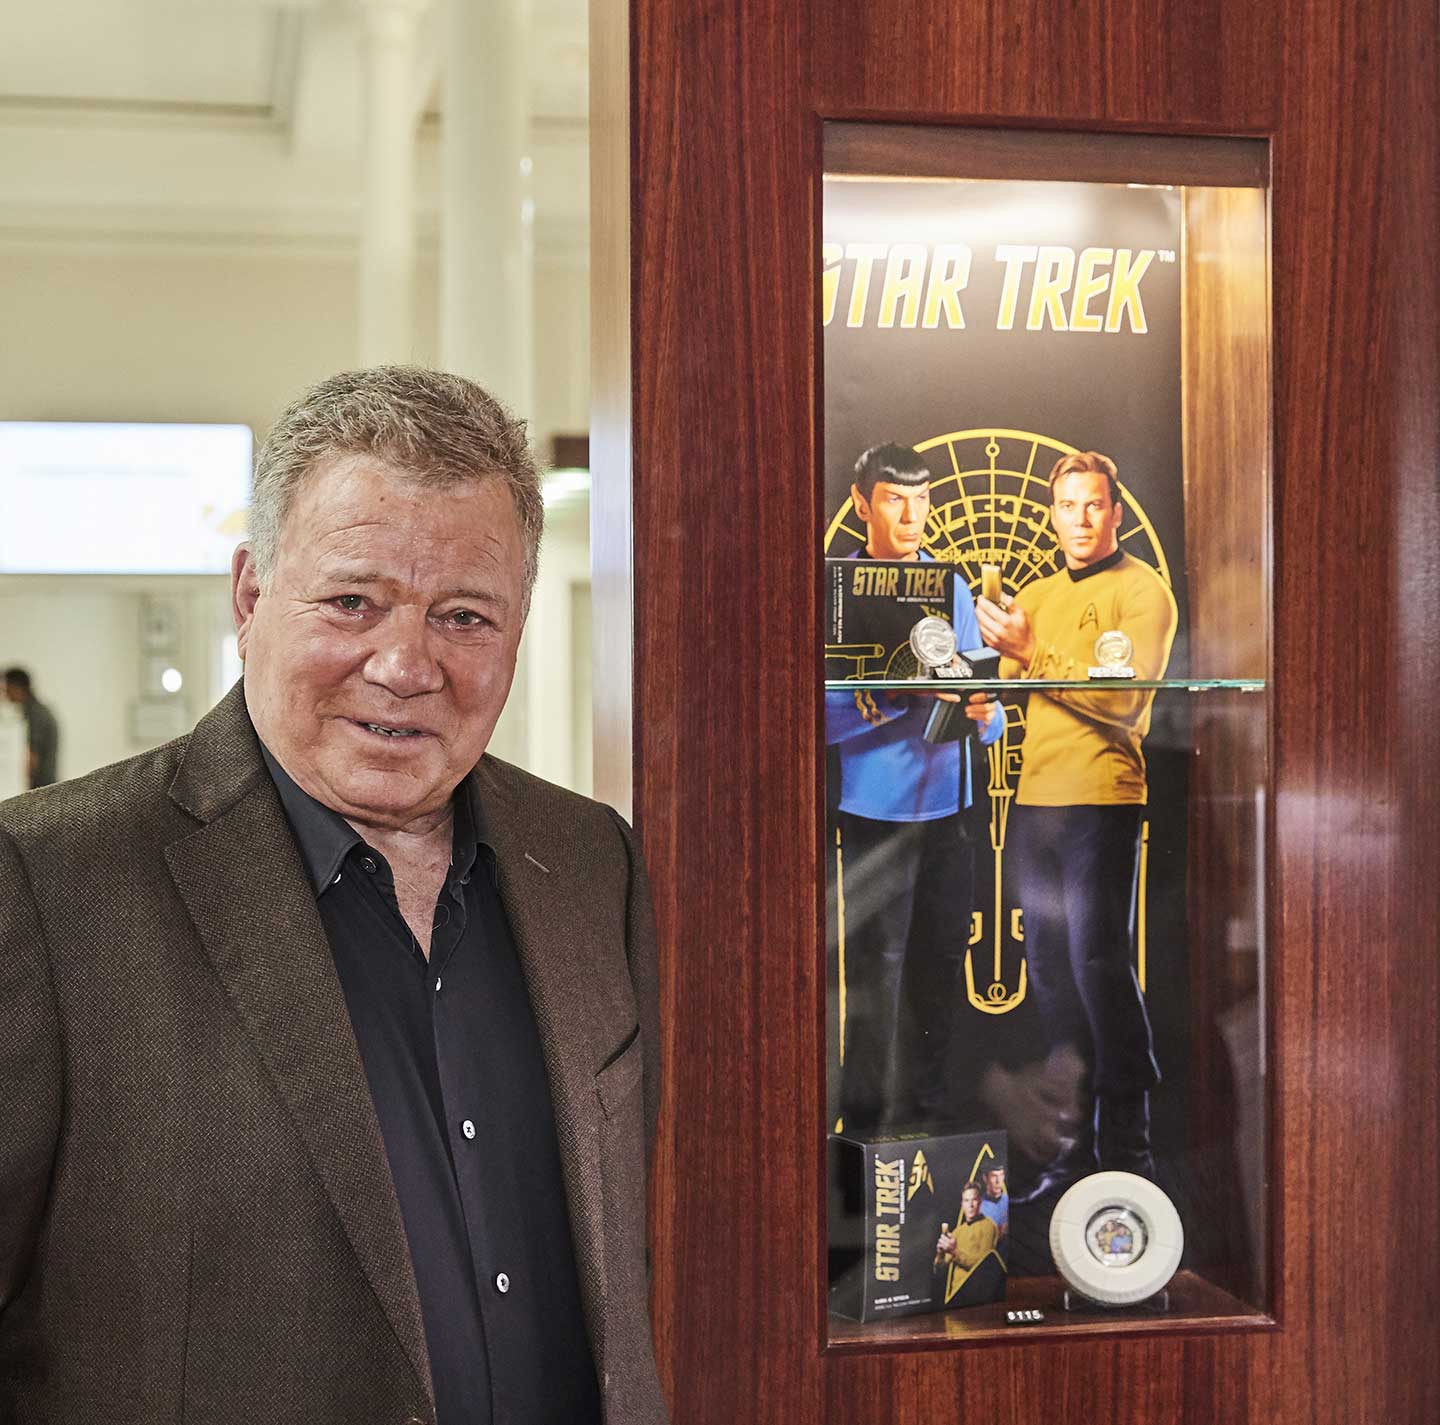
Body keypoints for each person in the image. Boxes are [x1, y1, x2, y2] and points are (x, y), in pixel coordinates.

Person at [0, 367, 668, 1425]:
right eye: (354, 601)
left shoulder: (592, 864)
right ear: (251, 596)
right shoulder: (43, 885)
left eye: (464, 616)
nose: (406, 665)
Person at [975, 449, 1177, 1199]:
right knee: (1051, 974)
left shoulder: (1144, 592)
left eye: (1094, 505)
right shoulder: (1036, 592)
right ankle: (1073, 1148)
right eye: (1068, 506)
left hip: (1104, 799)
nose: (1081, 519)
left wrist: (1031, 653)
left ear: (1116, 512)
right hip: (1035, 803)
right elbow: (1010, 695)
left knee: (1099, 967)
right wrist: (979, 688)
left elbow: (1126, 706)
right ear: (1052, 514)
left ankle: (1129, 1149)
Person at [826, 442, 1004, 1134]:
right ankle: (865, 1131)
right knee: (874, 979)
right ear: (861, 502)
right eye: (895, 499)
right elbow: (815, 713)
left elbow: (983, 700)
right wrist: (894, 696)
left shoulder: (952, 585)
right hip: (874, 810)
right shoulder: (837, 589)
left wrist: (986, 714)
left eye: (922, 499)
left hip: (951, 810)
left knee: (939, 972)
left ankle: (927, 1126)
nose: (911, 514)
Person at [2, 667, 60, 788]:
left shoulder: (36, 714)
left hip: (41, 787)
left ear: (16, 687)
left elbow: (32, 756)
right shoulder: (37, 710)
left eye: (6, 689)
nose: (5, 695)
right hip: (45, 785)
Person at [935, 1182, 1000, 1270]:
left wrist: (954, 1251)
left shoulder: (989, 1227)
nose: (970, 1205)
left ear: (980, 1202)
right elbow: (939, 1269)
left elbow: (983, 1267)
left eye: (974, 1200)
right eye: (966, 1200)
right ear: (962, 1204)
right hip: (957, 1284)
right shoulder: (957, 1232)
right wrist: (940, 1253)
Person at [979, 1162, 1009, 1239]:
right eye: (994, 1176)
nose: (998, 1181)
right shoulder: (978, 1207)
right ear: (985, 1178)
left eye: (1001, 1175)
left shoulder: (1009, 1200)